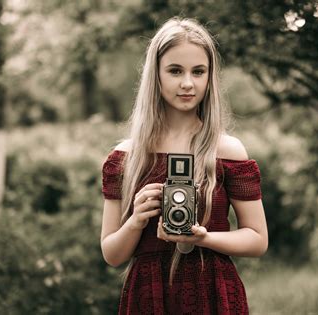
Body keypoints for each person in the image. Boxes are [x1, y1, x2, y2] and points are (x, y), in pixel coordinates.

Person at [100, 17, 268, 314]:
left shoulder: (227, 150)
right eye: (175, 71)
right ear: (157, 75)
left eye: (198, 71)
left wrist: (205, 237)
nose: (188, 83)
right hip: (148, 296)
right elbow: (112, 254)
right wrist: (137, 220)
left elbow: (257, 239)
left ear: (209, 77)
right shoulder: (126, 157)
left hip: (213, 291)